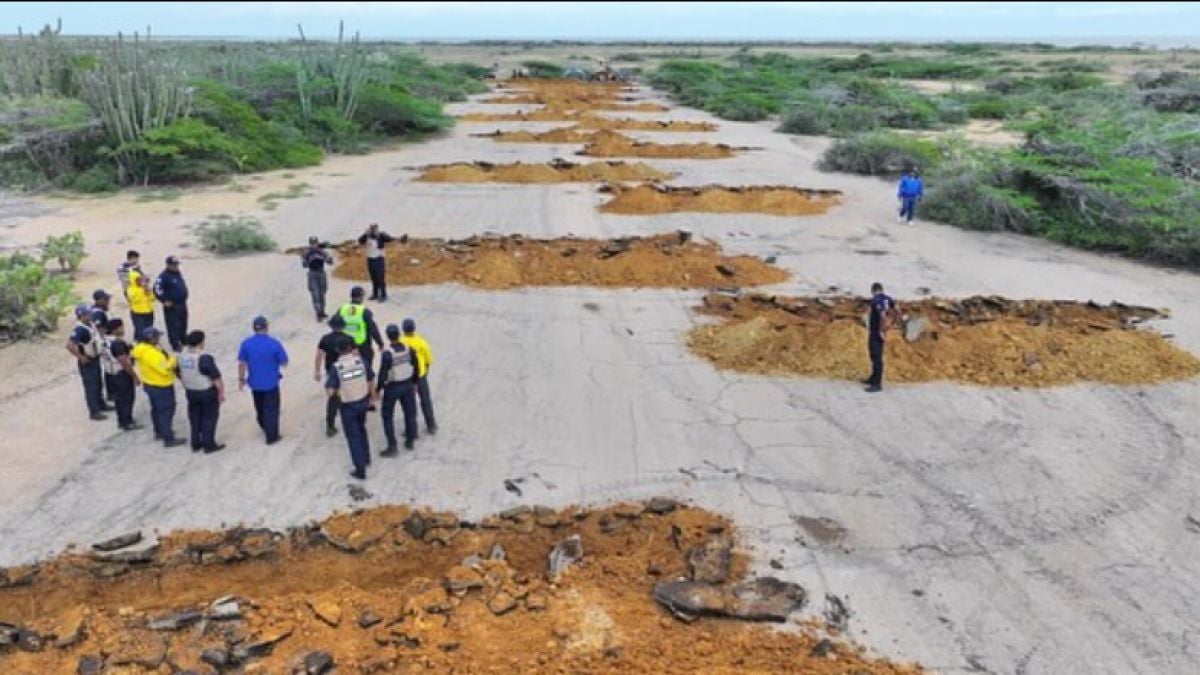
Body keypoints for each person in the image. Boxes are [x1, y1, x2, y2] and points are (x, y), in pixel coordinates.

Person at [326, 339, 376, 480]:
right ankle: (366, 458)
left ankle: (360, 470)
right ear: (350, 348)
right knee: (362, 429)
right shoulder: (361, 362)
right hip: (363, 401)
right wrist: (372, 397)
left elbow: (331, 391)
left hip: (348, 406)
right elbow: (370, 380)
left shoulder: (336, 367)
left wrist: (334, 393)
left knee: (353, 437)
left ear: (337, 350)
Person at [131, 326, 186, 447]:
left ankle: (159, 431)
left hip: (149, 383)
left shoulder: (142, 349)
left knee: (156, 409)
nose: (158, 339)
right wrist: (173, 359)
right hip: (161, 384)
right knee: (166, 410)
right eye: (156, 337)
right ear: (151, 339)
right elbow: (164, 369)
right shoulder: (151, 353)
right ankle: (168, 438)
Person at [237, 316, 288, 444]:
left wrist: (241, 379)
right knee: (271, 409)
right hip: (271, 382)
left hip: (255, 382)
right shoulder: (274, 343)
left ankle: (263, 424)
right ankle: (271, 436)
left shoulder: (246, 344)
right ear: (267, 327)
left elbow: (242, 363)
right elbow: (284, 362)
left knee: (259, 406)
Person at [179, 330, 226, 454]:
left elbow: (178, 372)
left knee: (194, 417)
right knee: (209, 417)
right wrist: (221, 392)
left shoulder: (182, 355)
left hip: (191, 391)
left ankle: (195, 443)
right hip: (206, 391)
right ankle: (208, 444)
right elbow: (215, 376)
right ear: (201, 342)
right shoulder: (203, 357)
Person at [379, 324, 420, 454]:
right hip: (408, 384)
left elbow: (383, 373)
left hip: (393, 387)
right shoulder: (409, 349)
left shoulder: (387, 354)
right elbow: (416, 367)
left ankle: (392, 446)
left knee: (387, 416)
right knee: (410, 413)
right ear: (399, 334)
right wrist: (415, 382)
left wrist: (378, 388)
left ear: (388, 336)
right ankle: (410, 440)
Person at [66, 304, 110, 421]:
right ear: (82, 316)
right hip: (88, 360)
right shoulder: (80, 329)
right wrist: (80, 357)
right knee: (91, 386)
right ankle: (94, 411)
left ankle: (100, 404)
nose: (90, 315)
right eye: (88, 314)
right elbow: (70, 345)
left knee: (98, 382)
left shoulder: (90, 325)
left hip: (95, 358)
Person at [99, 318, 142, 431]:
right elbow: (124, 361)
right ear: (115, 329)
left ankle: (122, 420)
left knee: (119, 399)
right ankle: (127, 422)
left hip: (110, 373)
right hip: (121, 374)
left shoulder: (104, 341)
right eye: (121, 327)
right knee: (126, 398)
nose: (123, 329)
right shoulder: (117, 343)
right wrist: (134, 376)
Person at [315, 314, 352, 437]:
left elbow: (319, 355)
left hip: (332, 371)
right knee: (350, 394)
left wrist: (317, 371)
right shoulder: (349, 338)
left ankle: (330, 425)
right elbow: (356, 355)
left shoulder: (325, 339)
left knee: (333, 398)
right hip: (347, 369)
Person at [400, 317, 437, 435]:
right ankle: (431, 425)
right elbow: (428, 360)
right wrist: (424, 372)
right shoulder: (421, 342)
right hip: (420, 375)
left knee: (408, 405)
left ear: (403, 329)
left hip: (406, 377)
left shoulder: (401, 341)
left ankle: (411, 429)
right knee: (425, 400)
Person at [338, 286, 384, 373]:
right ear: (360, 297)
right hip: (362, 344)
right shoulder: (364, 311)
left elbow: (334, 323)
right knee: (366, 364)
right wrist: (380, 343)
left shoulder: (342, 309)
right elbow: (373, 329)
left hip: (346, 344)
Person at [864, 282, 899, 393]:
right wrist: (892, 324)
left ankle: (877, 383)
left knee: (876, 357)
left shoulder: (876, 300)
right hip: (881, 331)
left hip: (876, 332)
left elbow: (882, 315)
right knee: (874, 355)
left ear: (873, 290)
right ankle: (873, 378)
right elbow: (897, 310)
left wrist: (880, 330)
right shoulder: (888, 298)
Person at [155, 255, 189, 352]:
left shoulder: (177, 273)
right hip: (172, 305)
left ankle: (183, 339)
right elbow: (157, 289)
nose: (176, 266)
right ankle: (175, 344)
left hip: (182, 303)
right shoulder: (163, 276)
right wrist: (164, 300)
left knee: (183, 323)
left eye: (177, 264)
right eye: (174, 265)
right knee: (173, 325)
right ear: (168, 265)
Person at [357, 223, 394, 301]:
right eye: (372, 229)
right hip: (370, 259)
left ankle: (383, 295)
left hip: (379, 259)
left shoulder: (381, 236)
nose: (373, 231)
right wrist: (365, 234)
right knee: (373, 278)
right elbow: (360, 241)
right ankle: (375, 294)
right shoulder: (367, 236)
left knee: (380, 278)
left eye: (374, 229)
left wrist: (380, 235)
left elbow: (390, 239)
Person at [301, 236, 334, 321]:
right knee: (315, 293)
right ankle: (318, 313)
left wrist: (323, 256)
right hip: (312, 273)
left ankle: (322, 311)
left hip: (321, 273)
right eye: (312, 243)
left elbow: (330, 262)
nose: (314, 245)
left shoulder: (322, 252)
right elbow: (304, 265)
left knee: (323, 292)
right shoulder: (306, 252)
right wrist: (310, 258)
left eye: (315, 243)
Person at [90, 289, 114, 403]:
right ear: (99, 300)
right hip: (104, 343)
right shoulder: (97, 313)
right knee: (109, 368)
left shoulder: (100, 310)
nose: (108, 301)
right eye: (105, 299)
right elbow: (99, 329)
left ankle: (110, 393)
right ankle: (111, 393)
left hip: (104, 342)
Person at [127, 261, 156, 341]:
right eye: (138, 280)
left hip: (149, 311)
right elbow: (135, 299)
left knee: (149, 329)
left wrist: (149, 292)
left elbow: (153, 299)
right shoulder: (131, 289)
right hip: (138, 313)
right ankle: (139, 341)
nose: (140, 281)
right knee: (141, 331)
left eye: (140, 279)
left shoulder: (145, 287)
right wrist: (143, 290)